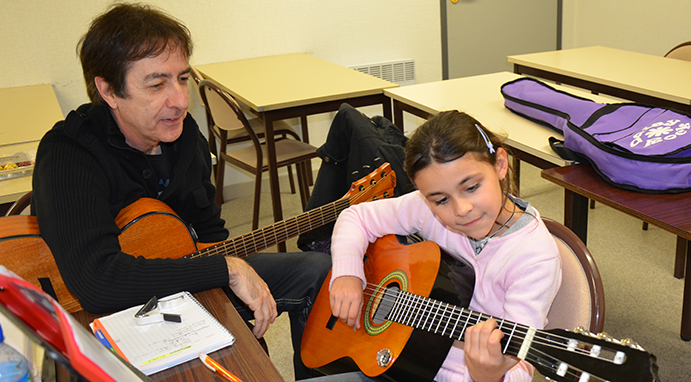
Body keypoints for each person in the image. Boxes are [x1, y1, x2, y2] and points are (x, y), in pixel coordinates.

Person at [31, 3, 330, 380]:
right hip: (106, 316)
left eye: (183, 79)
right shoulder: (70, 153)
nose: (180, 101)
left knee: (318, 270)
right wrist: (224, 269)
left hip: (185, 285)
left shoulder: (185, 134)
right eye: (157, 85)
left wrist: (227, 282)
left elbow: (209, 233)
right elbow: (96, 281)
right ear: (108, 90)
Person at [319, 111, 562, 382]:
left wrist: (488, 375)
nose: (462, 209)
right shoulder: (424, 208)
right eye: (440, 200)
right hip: (397, 355)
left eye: (471, 187)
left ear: (500, 164)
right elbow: (355, 217)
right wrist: (348, 272)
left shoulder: (535, 258)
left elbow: (521, 370)